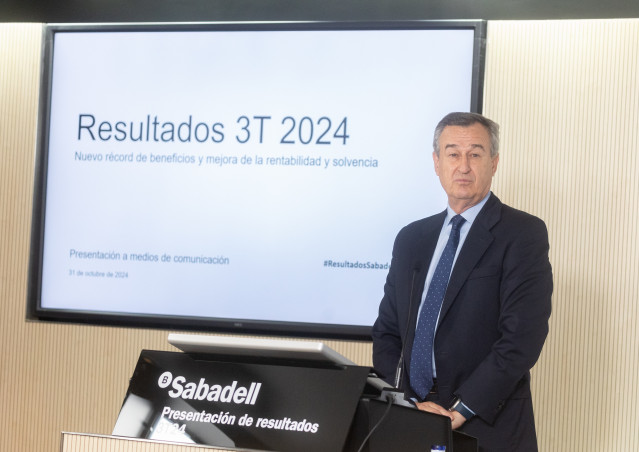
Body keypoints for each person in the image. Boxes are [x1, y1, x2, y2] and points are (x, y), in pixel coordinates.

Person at [372, 112, 552, 451]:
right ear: (437, 162)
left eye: (475, 154)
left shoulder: (522, 234)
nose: (463, 166)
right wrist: (409, 403)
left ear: (494, 162)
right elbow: (387, 332)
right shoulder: (411, 238)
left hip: (485, 421)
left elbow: (521, 338)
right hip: (412, 417)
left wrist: (460, 409)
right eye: (453, 154)